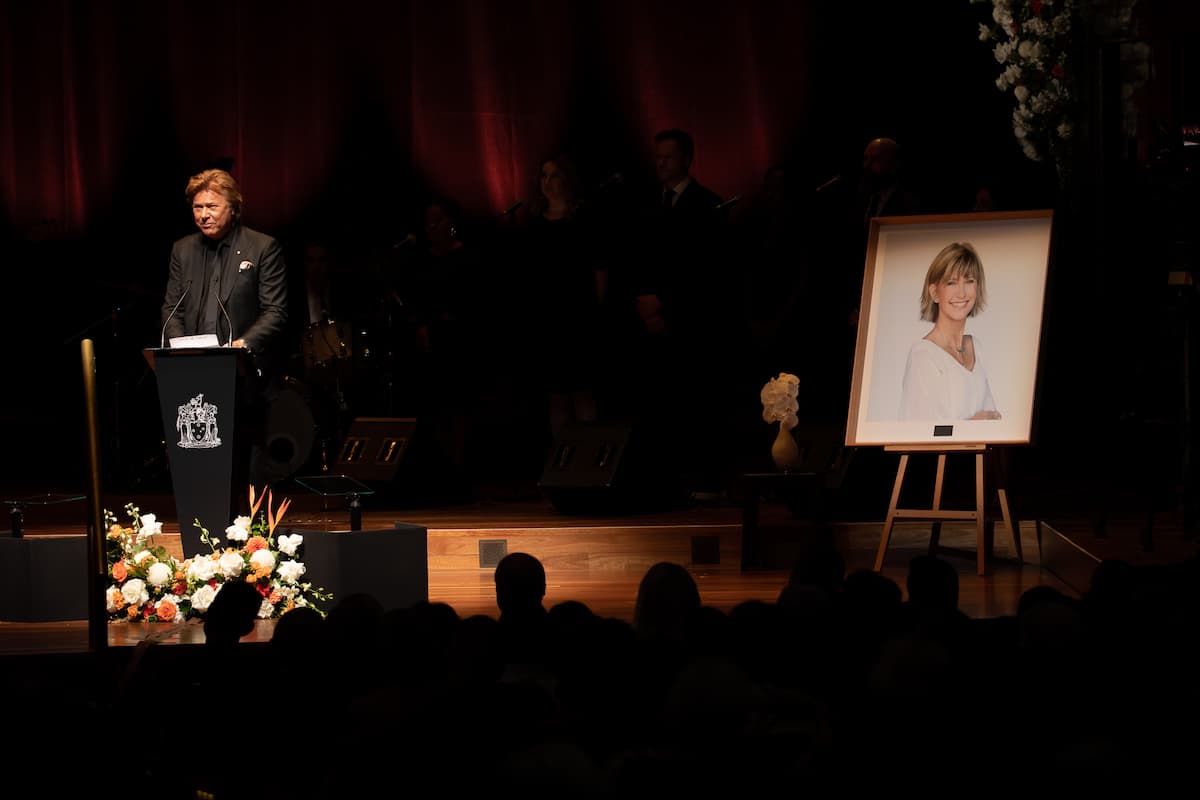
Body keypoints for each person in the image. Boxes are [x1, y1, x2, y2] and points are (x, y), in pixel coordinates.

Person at [159, 167, 290, 486]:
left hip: (246, 379)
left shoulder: (262, 247)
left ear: (233, 208)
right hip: (194, 377)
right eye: (197, 208)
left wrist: (241, 344)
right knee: (201, 471)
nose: (203, 215)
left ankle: (251, 534)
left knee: (248, 468)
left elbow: (276, 311)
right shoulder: (183, 249)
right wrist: (179, 349)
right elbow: (171, 308)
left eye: (212, 207)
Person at [898, 241, 1001, 421]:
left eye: (969, 281)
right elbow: (922, 434)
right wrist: (977, 422)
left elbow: (994, 419)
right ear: (934, 292)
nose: (961, 293)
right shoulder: (923, 356)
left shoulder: (975, 346)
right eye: (951, 283)